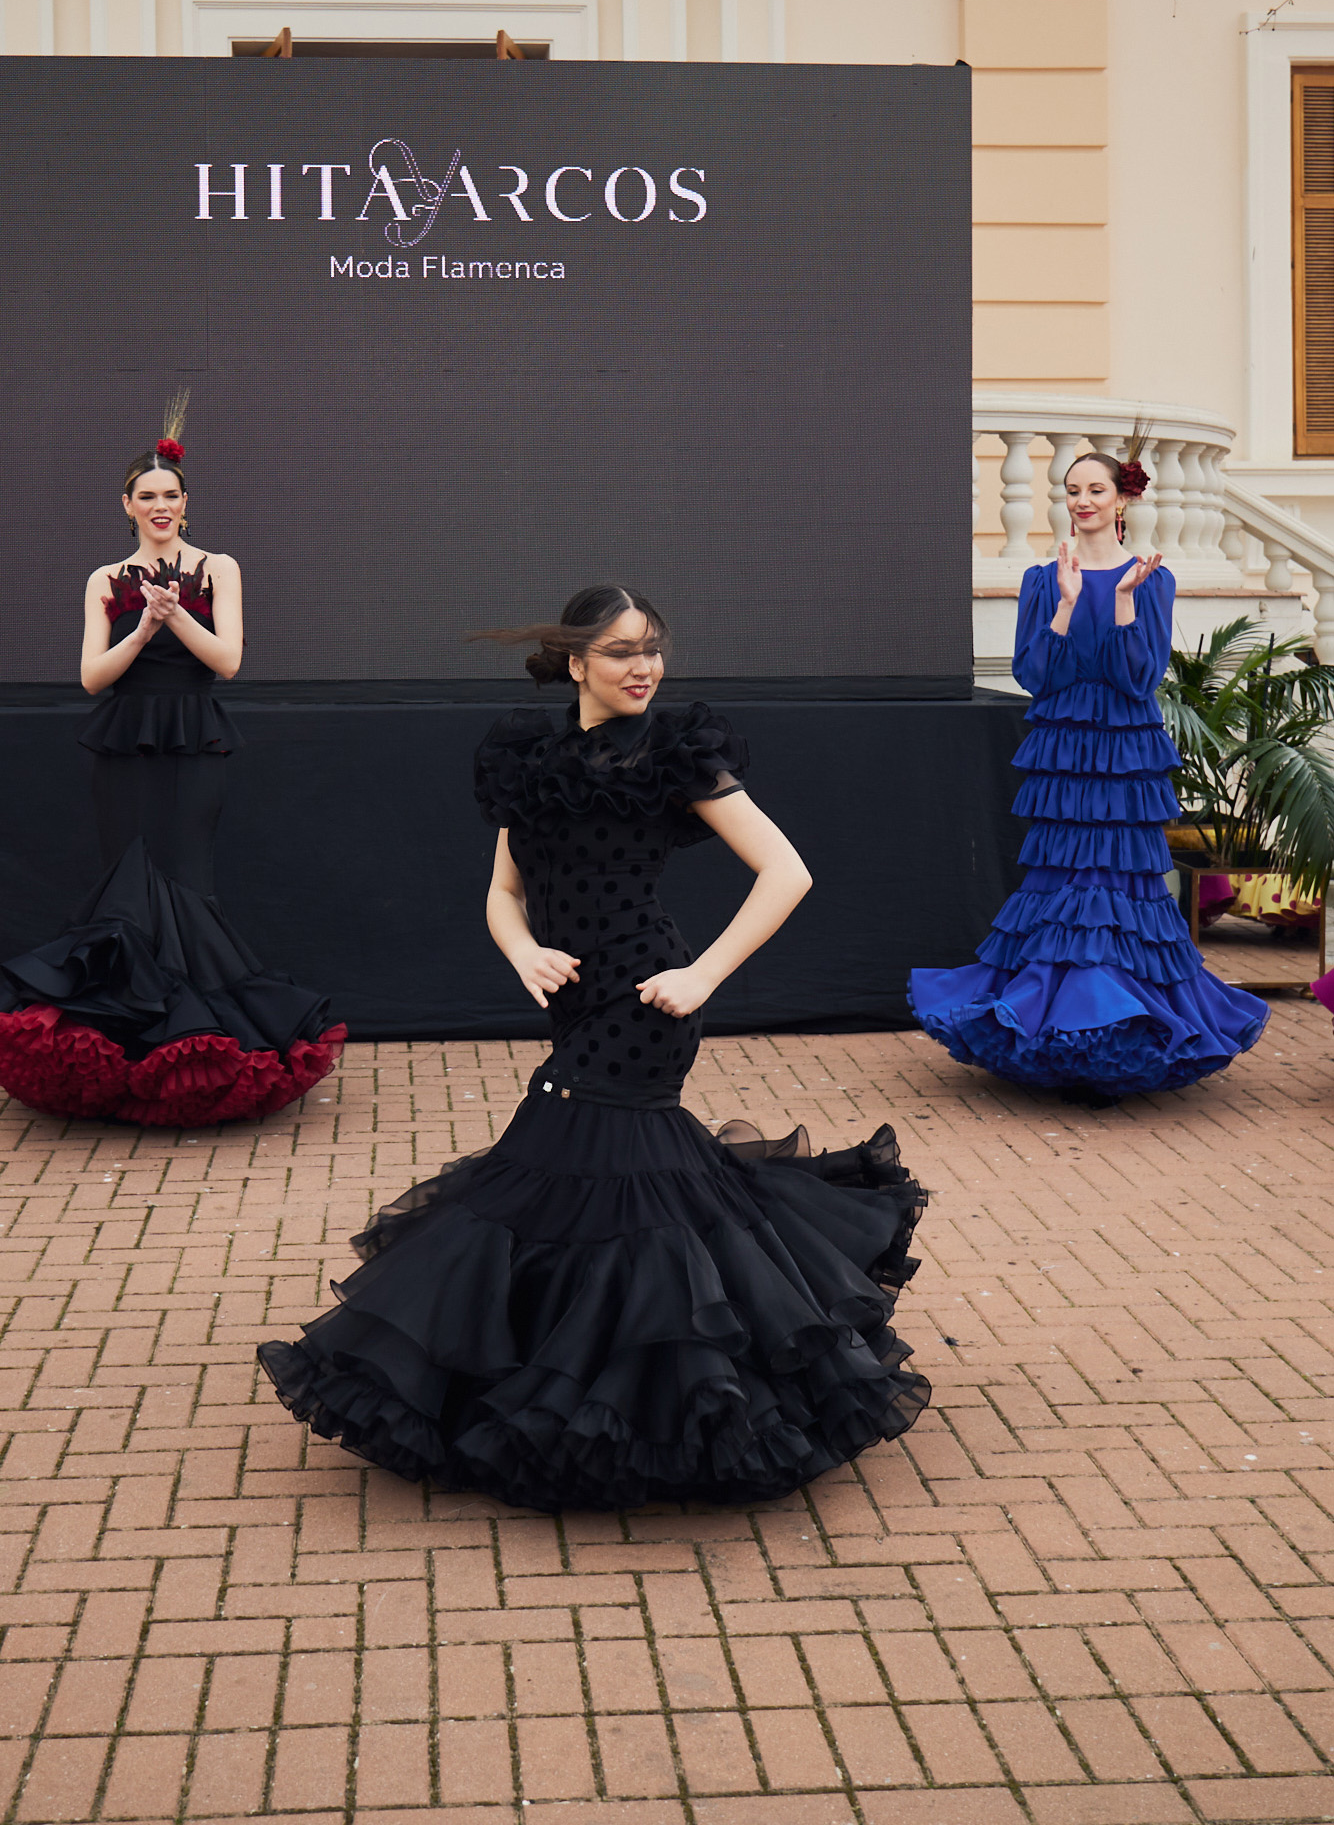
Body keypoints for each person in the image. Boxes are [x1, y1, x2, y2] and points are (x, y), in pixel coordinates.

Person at [259, 584, 929, 1512]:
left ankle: (640, 1402)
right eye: (619, 651)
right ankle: (617, 1381)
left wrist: (702, 978)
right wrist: (522, 949)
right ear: (576, 662)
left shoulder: (676, 757)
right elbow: (502, 892)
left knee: (569, 1166)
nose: (643, 666)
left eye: (652, 647)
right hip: (574, 1005)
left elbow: (788, 872)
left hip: (647, 1004)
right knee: (610, 1182)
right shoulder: (530, 760)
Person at [0, 397, 344, 1126]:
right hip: (122, 743)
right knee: (126, 884)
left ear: (187, 504)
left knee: (185, 881)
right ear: (126, 505)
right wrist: (142, 624)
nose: (161, 507)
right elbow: (94, 677)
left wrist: (177, 612)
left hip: (194, 739)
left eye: (171, 497)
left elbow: (227, 662)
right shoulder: (105, 578)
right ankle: (128, 1049)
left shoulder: (218, 568)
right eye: (147, 497)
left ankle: (199, 1044)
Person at [910, 451, 1269, 1097]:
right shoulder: (1044, 578)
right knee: (1064, 879)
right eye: (1072, 489)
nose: (1081, 500)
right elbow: (1034, 675)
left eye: (1094, 489)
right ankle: (1053, 1023)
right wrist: (1068, 603)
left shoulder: (1152, 579)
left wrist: (1125, 599)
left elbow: (1138, 678)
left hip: (1126, 750)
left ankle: (1120, 1022)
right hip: (1064, 752)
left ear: (1120, 499)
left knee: (1122, 883)